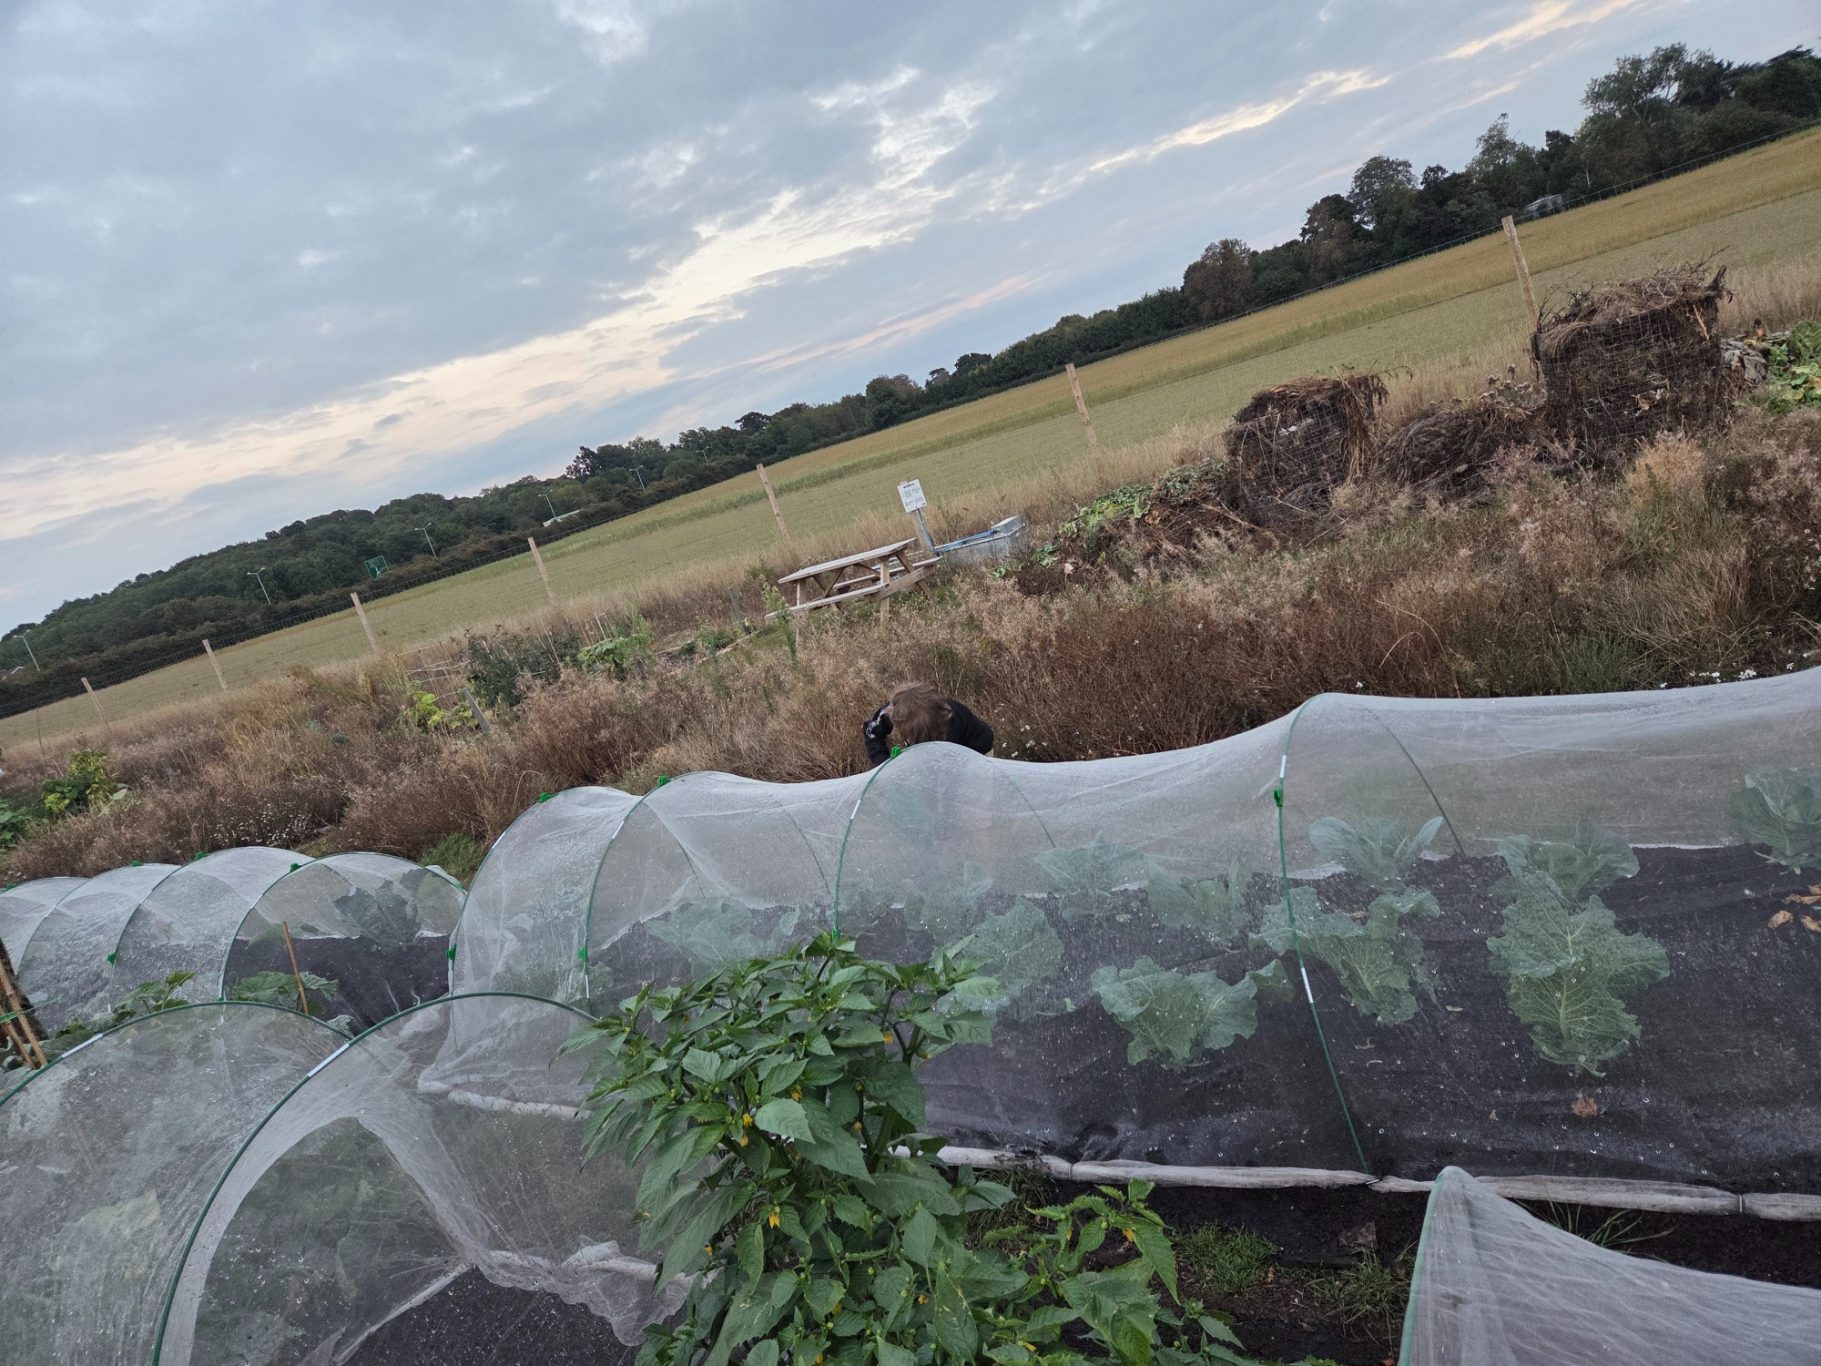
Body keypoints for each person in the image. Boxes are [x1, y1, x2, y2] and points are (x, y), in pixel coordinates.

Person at [862, 681, 993, 767]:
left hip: (976, 751)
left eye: (920, 739)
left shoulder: (951, 726)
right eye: (911, 737)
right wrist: (884, 763)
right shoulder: (893, 711)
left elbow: (943, 771)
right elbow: (871, 731)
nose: (911, 741)